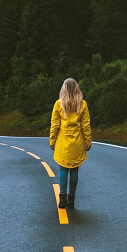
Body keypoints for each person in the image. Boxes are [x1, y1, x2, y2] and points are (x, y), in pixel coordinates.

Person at [49, 78, 92, 209]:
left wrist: (52, 140)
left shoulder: (58, 104)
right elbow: (85, 125)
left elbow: (55, 124)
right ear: (76, 89)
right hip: (77, 141)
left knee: (63, 168)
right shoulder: (82, 104)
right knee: (74, 170)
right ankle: (71, 200)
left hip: (63, 141)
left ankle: (62, 199)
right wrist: (88, 140)